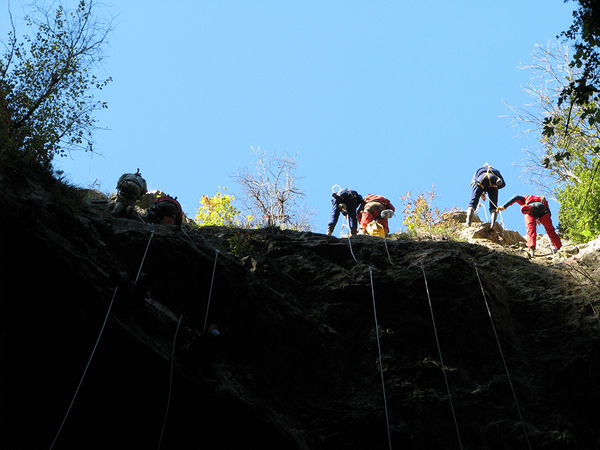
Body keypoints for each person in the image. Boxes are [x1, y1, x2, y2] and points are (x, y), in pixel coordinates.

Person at [496, 194, 562, 257]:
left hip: (530, 209)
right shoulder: (541, 199)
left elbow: (515, 197)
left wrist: (504, 206)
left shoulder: (525, 198)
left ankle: (531, 249)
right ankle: (559, 247)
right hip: (543, 209)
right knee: (550, 230)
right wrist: (542, 219)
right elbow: (548, 212)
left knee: (531, 230)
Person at [466, 163, 505, 228]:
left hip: (481, 178)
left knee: (473, 202)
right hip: (494, 180)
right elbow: (503, 184)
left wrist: (482, 192)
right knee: (494, 207)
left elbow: (474, 182)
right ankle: (492, 226)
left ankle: (468, 223)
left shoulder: (480, 170)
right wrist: (495, 187)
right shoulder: (495, 170)